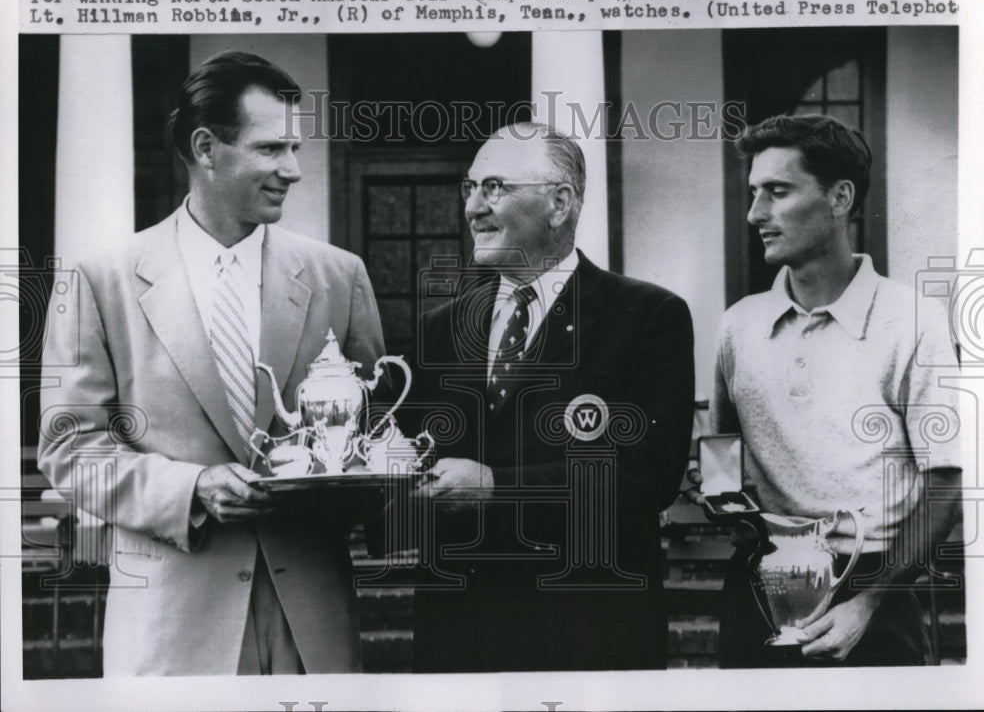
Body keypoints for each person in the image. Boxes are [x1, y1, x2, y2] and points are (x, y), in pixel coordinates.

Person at [38, 51, 385, 675]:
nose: (293, 169)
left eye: (296, 150)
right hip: (170, 633)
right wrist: (191, 488)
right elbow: (69, 451)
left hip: (313, 630)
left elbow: (369, 436)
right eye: (272, 149)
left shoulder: (341, 276)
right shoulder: (100, 280)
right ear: (206, 147)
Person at [402, 123, 695, 672]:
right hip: (461, 639)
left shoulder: (647, 318)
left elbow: (645, 475)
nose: (473, 208)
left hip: (591, 635)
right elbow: (407, 456)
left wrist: (494, 486)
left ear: (560, 203)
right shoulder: (439, 329)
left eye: (494, 188)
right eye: (469, 188)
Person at [709, 114, 963, 666]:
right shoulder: (738, 325)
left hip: (877, 591)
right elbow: (722, 453)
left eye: (777, 192)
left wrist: (870, 601)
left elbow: (946, 484)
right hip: (757, 590)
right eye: (754, 193)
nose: (756, 214)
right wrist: (727, 502)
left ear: (840, 197)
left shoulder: (914, 320)